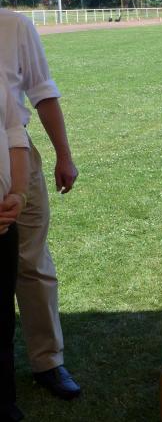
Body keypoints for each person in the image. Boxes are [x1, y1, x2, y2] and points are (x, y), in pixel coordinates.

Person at [0, 9, 80, 400]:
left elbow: (42, 91)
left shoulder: (14, 25)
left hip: (17, 154)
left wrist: (64, 155)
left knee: (32, 260)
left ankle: (47, 361)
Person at [0, 81, 31, 422]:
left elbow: (14, 135)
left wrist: (19, 194)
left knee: (2, 319)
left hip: (4, 226)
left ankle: (4, 403)